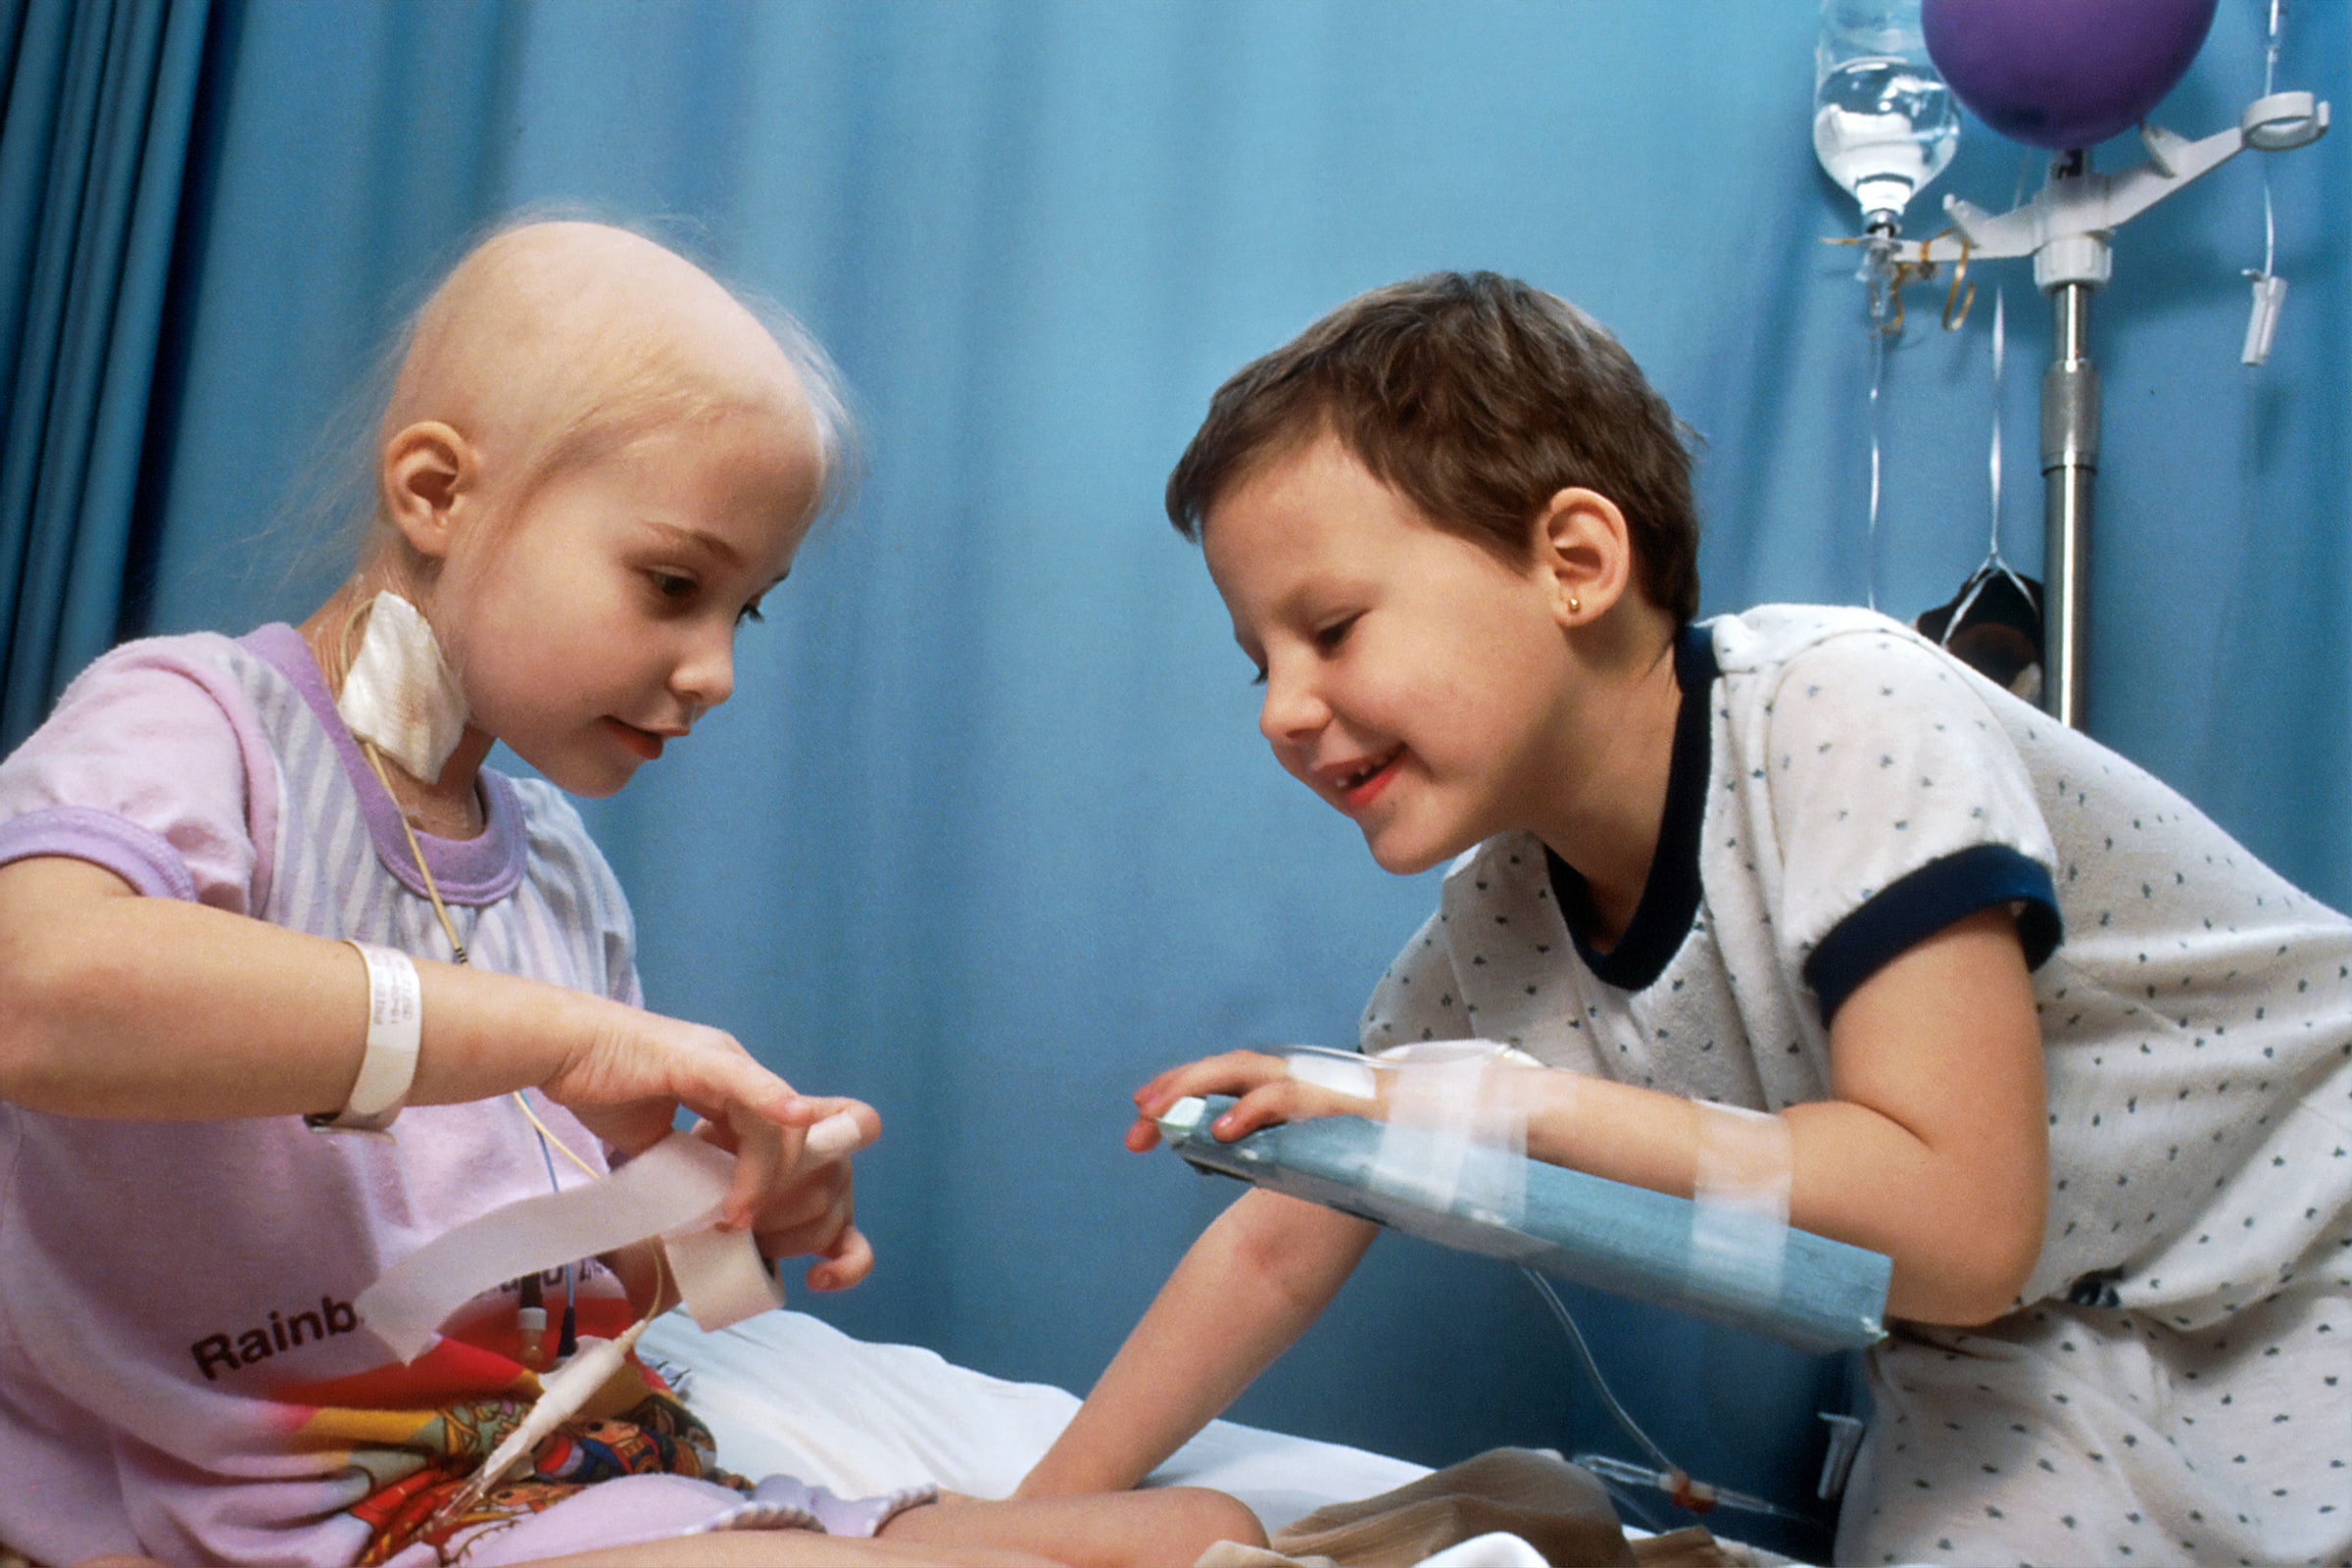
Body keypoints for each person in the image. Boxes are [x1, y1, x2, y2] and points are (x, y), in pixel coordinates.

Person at [1016, 272, 2352, 1567]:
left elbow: (1961, 1225)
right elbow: (1279, 1236)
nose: (1281, 711)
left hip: (2311, 1235)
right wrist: (1033, 1516)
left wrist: (1507, 1106)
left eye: (1333, 629)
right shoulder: (1490, 938)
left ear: (1577, 560)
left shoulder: (1849, 710)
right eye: (1261, 664)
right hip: (2023, 1355)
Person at [0, 220, 1261, 1568]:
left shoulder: (554, 869)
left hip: (579, 1474)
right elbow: (38, 996)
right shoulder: (197, 726)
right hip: (329, 1516)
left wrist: (737, 1224)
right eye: (672, 585)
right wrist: (570, 1038)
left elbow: (587, 1305)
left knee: (1204, 1531)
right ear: (436, 494)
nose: (716, 668)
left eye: (745, 611)